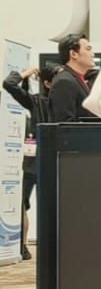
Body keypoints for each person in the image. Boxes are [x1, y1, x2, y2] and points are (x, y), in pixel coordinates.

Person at [2, 63, 54, 259]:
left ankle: (42, 247)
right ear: (47, 83)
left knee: (47, 208)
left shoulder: (48, 102)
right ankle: (22, 246)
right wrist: (25, 74)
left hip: (44, 163)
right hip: (31, 163)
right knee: (21, 204)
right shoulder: (37, 102)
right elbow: (9, 84)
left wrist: (26, 74)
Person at [48, 34, 93, 121]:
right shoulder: (64, 82)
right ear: (73, 54)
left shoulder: (76, 79)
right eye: (88, 49)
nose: (92, 54)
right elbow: (65, 123)